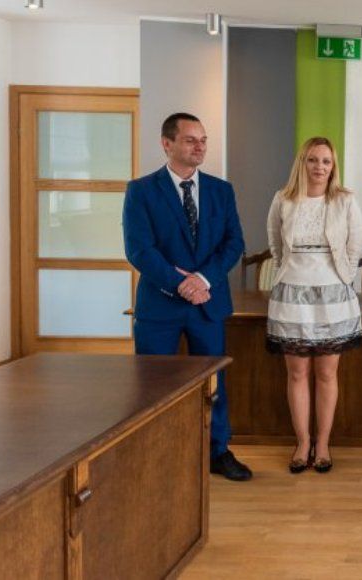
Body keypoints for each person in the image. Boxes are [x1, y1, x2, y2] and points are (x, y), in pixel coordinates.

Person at [123, 112, 250, 481]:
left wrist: (202, 280)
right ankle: (156, 454)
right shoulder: (141, 191)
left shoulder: (221, 190)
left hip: (207, 304)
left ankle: (217, 451)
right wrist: (180, 284)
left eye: (203, 140)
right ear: (167, 144)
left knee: (214, 383)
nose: (200, 147)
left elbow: (234, 243)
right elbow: (139, 249)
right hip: (159, 305)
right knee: (153, 386)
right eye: (191, 140)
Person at [266, 137, 362, 474]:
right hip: (292, 295)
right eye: (312, 160)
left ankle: (322, 444)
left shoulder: (345, 200)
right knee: (296, 373)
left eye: (325, 161)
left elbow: (354, 247)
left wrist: (342, 278)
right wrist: (289, 273)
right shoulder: (282, 199)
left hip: (333, 296)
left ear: (333, 166)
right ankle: (302, 442)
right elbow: (275, 245)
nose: (319, 167)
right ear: (302, 163)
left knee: (326, 373)